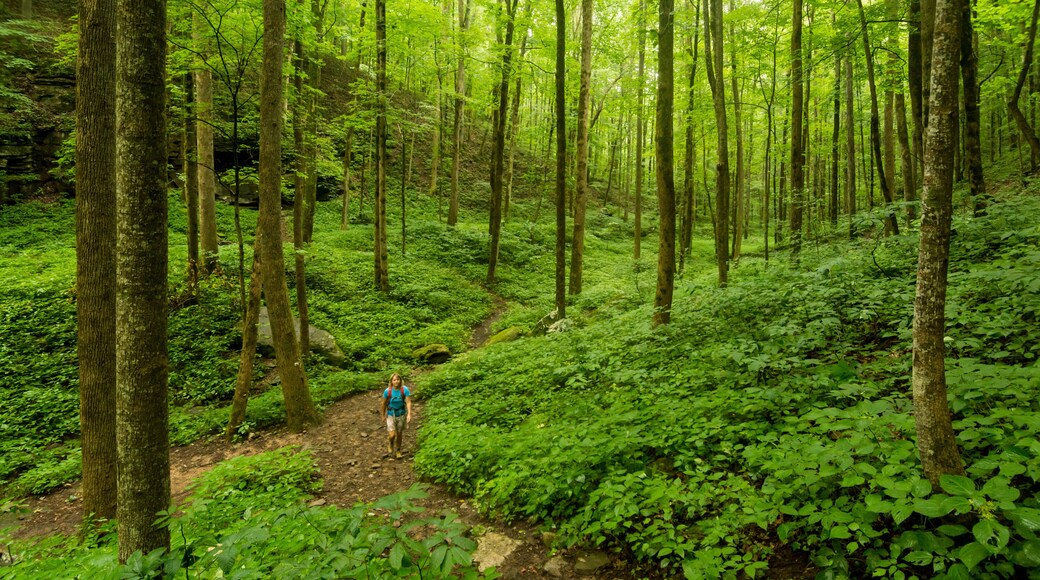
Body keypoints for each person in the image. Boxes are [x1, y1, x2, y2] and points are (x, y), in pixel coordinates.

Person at [381, 373, 412, 459]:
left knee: (399, 434)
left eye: (398, 379)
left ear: (400, 380)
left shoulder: (404, 390)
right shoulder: (388, 391)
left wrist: (409, 414)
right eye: (394, 380)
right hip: (391, 414)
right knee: (392, 435)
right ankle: (391, 443)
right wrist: (383, 415)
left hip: (401, 414)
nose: (396, 381)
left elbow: (408, 402)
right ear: (391, 381)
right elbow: (383, 403)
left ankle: (398, 450)